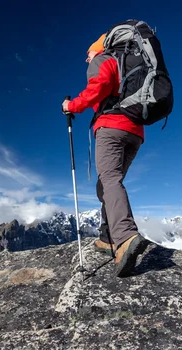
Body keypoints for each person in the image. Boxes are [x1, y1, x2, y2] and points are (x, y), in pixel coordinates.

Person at [62, 33, 150, 277]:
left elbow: (96, 89)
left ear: (98, 49)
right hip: (135, 133)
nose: (86, 59)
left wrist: (71, 106)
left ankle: (125, 237)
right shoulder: (133, 64)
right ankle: (107, 237)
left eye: (88, 54)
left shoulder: (104, 60)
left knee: (110, 181)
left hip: (112, 128)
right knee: (107, 185)